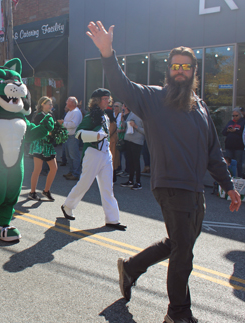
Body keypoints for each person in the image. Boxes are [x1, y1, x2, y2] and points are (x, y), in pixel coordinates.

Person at [87, 21, 240, 323]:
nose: (180, 70)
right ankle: (178, 313)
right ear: (168, 70)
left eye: (186, 66)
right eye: (175, 66)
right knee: (183, 252)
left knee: (178, 243)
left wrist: (229, 185)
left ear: (194, 72)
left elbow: (213, 153)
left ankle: (131, 268)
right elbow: (122, 87)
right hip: (170, 185)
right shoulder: (154, 98)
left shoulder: (201, 108)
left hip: (195, 189)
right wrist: (107, 53)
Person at [60, 88, 126, 231]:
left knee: (108, 188)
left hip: (105, 154)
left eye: (108, 98)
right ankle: (68, 206)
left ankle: (112, 219)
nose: (108, 100)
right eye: (104, 98)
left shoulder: (105, 116)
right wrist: (95, 136)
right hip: (93, 153)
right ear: (97, 100)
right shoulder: (91, 116)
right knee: (84, 183)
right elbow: (78, 133)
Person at [28, 96, 58, 201]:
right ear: (43, 105)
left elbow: (53, 128)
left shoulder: (51, 115)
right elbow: (37, 130)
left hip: (48, 145)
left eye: (51, 104)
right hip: (39, 144)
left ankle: (46, 190)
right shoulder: (38, 116)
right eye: (49, 104)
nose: (51, 106)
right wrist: (50, 132)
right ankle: (32, 192)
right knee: (37, 169)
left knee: (54, 168)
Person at [58, 96, 83, 181]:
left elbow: (73, 124)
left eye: (67, 101)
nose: (66, 103)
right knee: (69, 156)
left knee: (74, 156)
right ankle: (71, 172)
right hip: (68, 136)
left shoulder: (76, 112)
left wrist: (63, 123)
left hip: (73, 137)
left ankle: (76, 174)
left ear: (72, 103)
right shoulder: (70, 111)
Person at [120, 105, 144, 190]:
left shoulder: (143, 115)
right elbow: (125, 126)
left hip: (137, 142)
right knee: (130, 161)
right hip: (128, 140)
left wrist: (136, 126)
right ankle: (130, 181)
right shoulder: (131, 114)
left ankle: (138, 182)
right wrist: (123, 119)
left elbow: (146, 131)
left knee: (136, 162)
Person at [222, 108, 245, 177]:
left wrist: (236, 131)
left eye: (236, 115)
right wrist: (228, 130)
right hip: (229, 145)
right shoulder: (230, 122)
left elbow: (243, 133)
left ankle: (239, 178)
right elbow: (223, 132)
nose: (234, 117)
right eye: (233, 116)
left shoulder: (243, 122)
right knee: (228, 162)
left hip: (239, 146)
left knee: (238, 163)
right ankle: (228, 177)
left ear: (240, 115)